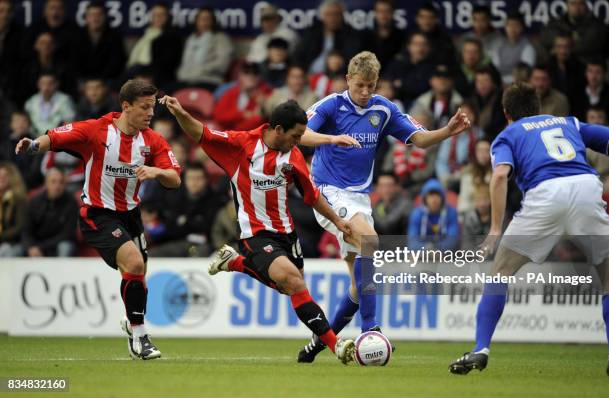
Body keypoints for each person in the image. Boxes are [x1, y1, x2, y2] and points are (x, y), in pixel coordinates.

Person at [296, 51, 470, 362]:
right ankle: (370, 329)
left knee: (358, 285)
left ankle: (320, 344)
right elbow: (302, 134)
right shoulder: (331, 105)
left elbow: (418, 138)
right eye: (360, 85)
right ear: (348, 79)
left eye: (371, 86)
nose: (365, 92)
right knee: (371, 241)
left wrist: (447, 131)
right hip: (327, 192)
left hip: (360, 199)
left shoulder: (384, 109)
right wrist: (331, 140)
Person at [159, 95, 357, 365]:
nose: (299, 141)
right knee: (293, 281)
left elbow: (311, 196)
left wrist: (337, 220)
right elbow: (201, 133)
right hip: (254, 233)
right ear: (278, 130)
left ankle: (236, 263)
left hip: (286, 232)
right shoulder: (240, 145)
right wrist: (180, 113)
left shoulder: (294, 155)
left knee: (291, 287)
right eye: (296, 136)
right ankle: (336, 346)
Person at [448, 82, 609, 376]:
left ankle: (481, 348)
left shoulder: (508, 135)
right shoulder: (569, 122)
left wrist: (496, 228)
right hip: (585, 188)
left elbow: (499, 177)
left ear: (506, 113)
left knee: (500, 273)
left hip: (544, 195)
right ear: (537, 108)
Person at [15, 79, 182, 360]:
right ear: (125, 106)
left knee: (138, 276)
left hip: (131, 216)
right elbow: (55, 137)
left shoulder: (152, 140)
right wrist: (33, 145)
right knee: (135, 263)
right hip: (97, 214)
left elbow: (175, 178)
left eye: (152, 107)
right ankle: (141, 338)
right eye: (144, 108)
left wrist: (156, 172)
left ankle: (133, 326)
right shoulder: (96, 130)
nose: (150, 113)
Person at [22, 167, 78, 257]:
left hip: (56, 244)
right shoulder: (35, 202)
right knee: (12, 250)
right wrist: (31, 246)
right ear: (46, 183)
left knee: (65, 246)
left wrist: (41, 247)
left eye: (61, 182)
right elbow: (27, 230)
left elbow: (67, 233)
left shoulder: (71, 202)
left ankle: (63, 271)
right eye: (53, 181)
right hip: (36, 244)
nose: (57, 186)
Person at [407, 178, 460, 251]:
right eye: (431, 195)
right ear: (425, 198)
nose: (434, 199)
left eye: (437, 195)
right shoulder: (417, 214)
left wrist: (437, 249)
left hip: (445, 254)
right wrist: (426, 249)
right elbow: (412, 241)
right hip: (423, 252)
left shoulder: (451, 212)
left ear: (443, 197)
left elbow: (453, 239)